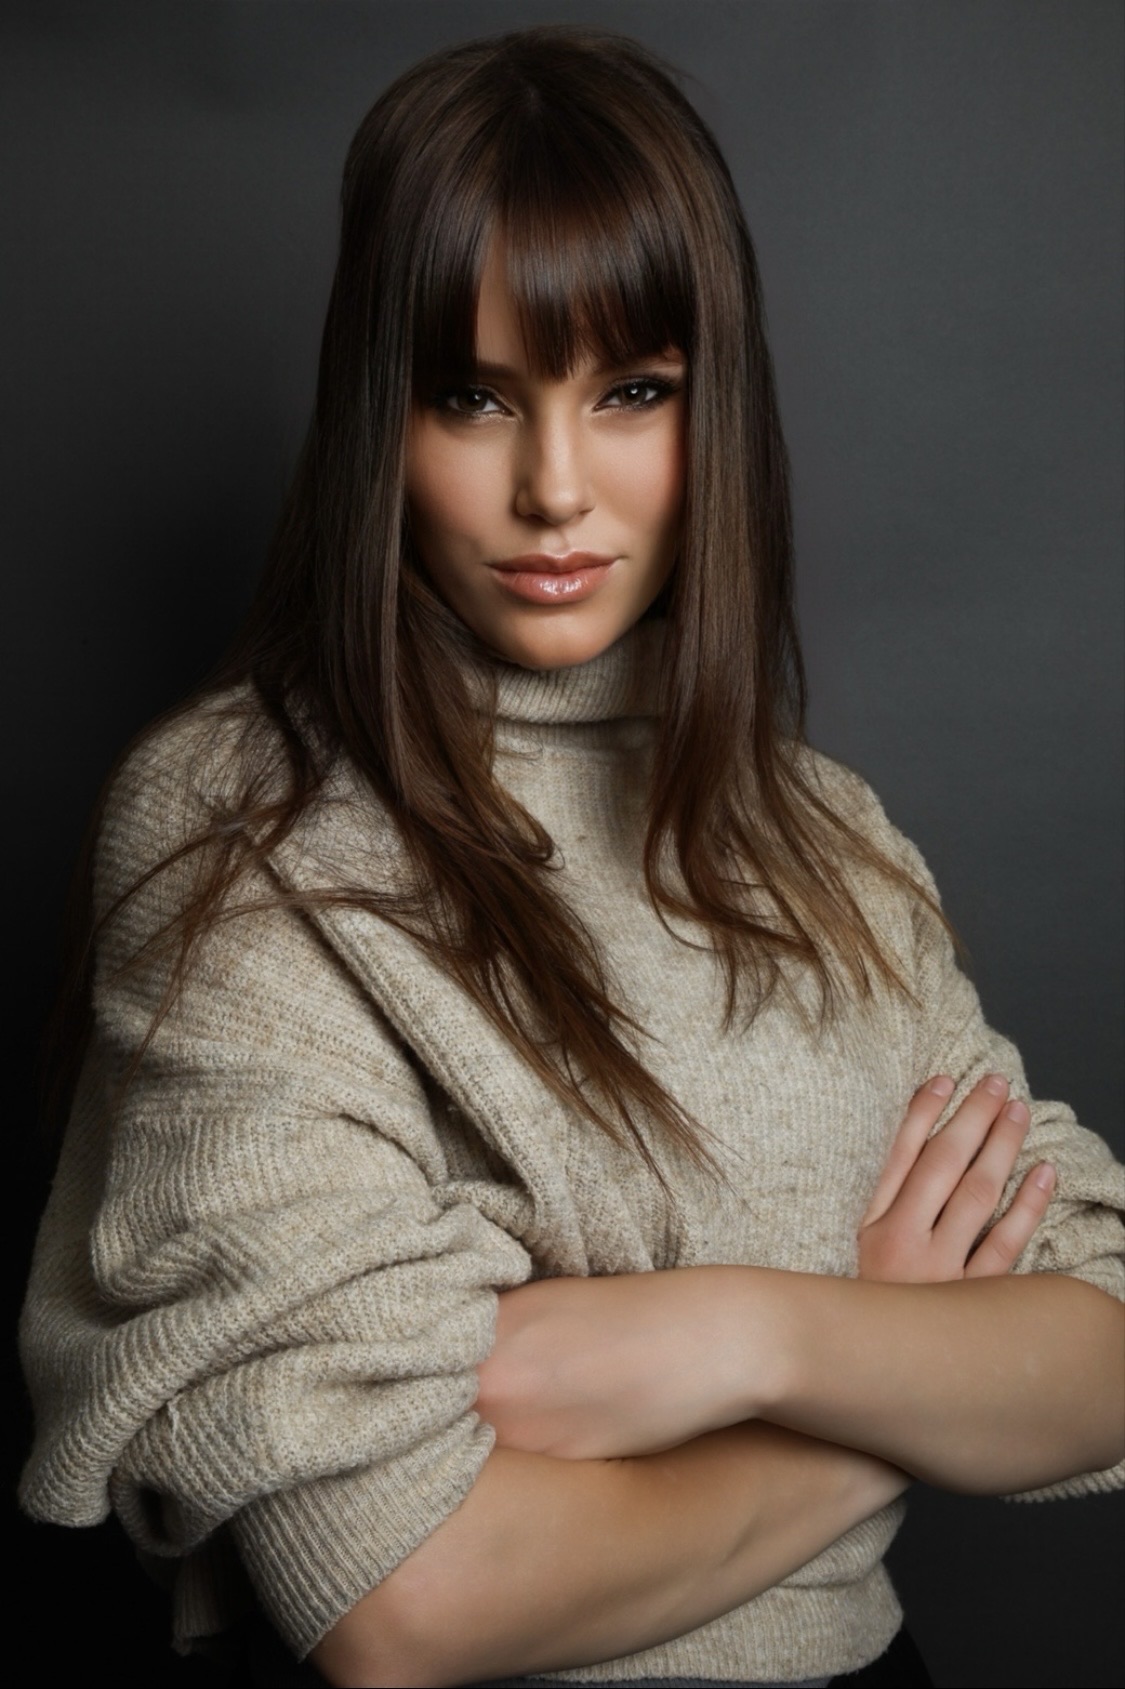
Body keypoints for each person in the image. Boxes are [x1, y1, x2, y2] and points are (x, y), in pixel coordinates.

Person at [18, 24, 1124, 1689]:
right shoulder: (243, 819)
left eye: (631, 394)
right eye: (472, 396)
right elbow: (400, 1599)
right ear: (379, 419)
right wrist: (884, 1386)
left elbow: (1100, 1344)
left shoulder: (823, 833)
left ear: (712, 408)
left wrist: (737, 1335)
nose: (553, 488)